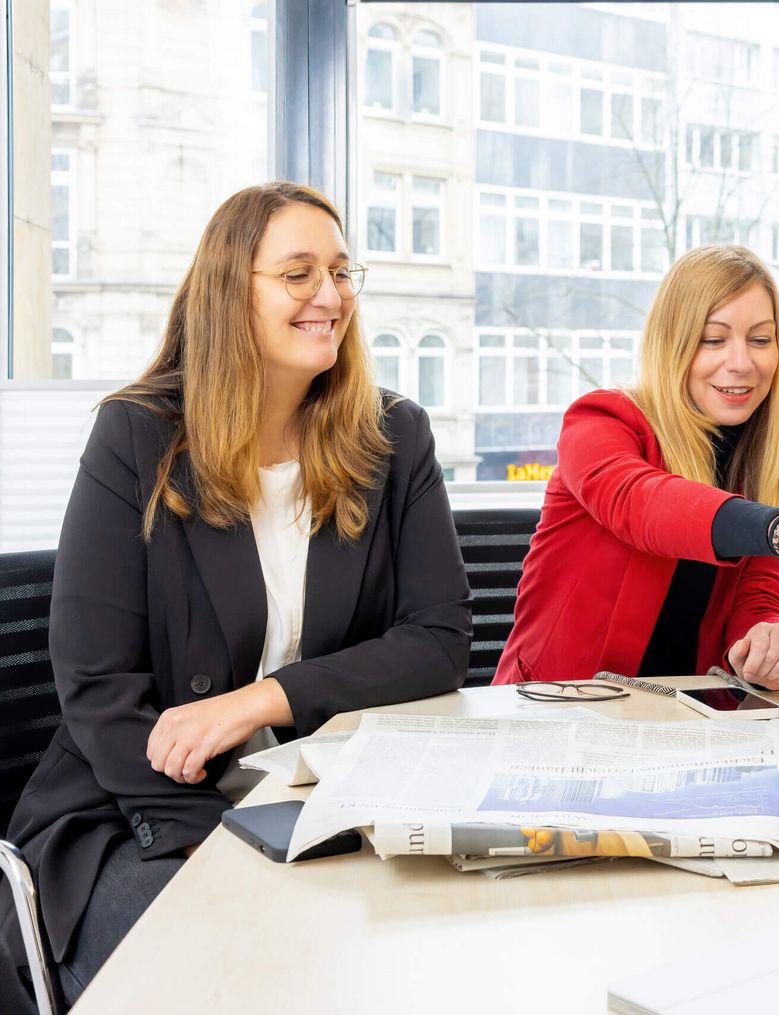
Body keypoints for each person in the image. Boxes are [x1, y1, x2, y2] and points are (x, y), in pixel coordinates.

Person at [0, 182, 471, 1006]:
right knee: (240, 979)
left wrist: (264, 700)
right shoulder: (137, 436)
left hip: (318, 804)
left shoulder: (395, 435)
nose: (330, 296)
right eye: (297, 274)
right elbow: (98, 688)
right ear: (231, 291)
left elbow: (438, 638)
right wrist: (205, 843)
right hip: (135, 814)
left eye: (339, 271)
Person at [493, 245, 779, 690]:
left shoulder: (759, 462)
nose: (742, 362)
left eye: (761, 340)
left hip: (687, 725)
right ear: (674, 343)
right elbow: (641, 502)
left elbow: (758, 589)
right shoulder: (601, 421)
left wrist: (767, 636)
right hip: (561, 712)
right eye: (713, 339)